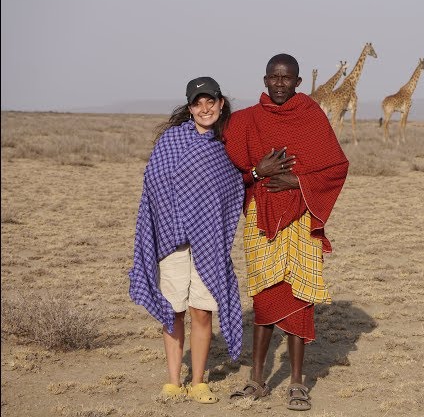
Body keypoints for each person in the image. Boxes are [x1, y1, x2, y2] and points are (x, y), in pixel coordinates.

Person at [224, 54, 349, 411]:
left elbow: (336, 166)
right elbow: (231, 171)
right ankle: (257, 379)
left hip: (300, 220)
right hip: (260, 219)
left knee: (299, 297)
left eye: (287, 78)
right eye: (274, 78)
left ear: (297, 82)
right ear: (265, 80)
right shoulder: (245, 121)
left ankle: (297, 383)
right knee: (264, 296)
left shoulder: (311, 117)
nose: (280, 84)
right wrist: (257, 172)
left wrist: (298, 180)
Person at [128, 77, 245, 404]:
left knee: (201, 312)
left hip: (209, 242)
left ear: (221, 104)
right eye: (198, 103)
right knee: (172, 310)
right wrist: (175, 222)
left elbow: (235, 187)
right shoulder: (172, 140)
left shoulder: (229, 143)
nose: (204, 108)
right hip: (172, 242)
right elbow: (154, 181)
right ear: (190, 106)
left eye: (210, 102)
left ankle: (198, 382)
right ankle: (172, 381)